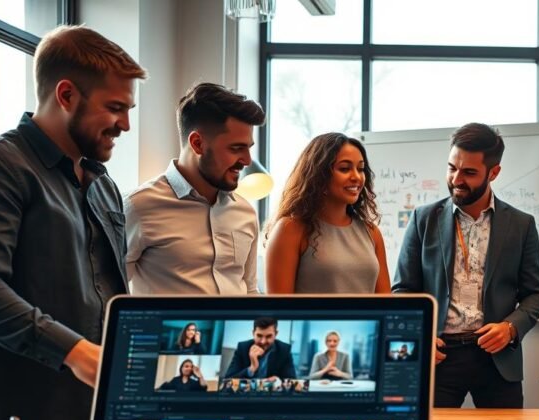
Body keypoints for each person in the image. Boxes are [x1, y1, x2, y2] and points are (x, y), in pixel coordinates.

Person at [0, 26, 146, 420]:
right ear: (67, 95)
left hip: (99, 416)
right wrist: (75, 352)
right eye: (115, 108)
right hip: (23, 418)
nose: (125, 124)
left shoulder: (104, 185)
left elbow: (107, 296)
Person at [393, 123, 539, 408]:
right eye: (452, 168)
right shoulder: (422, 219)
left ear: (494, 173)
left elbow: (536, 295)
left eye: (469, 172)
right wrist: (419, 334)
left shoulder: (521, 224)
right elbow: (403, 290)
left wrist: (510, 328)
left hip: (497, 356)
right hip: (438, 355)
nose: (456, 179)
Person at [125, 83, 265, 295]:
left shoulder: (245, 212)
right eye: (236, 148)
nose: (246, 160)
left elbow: (250, 290)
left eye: (248, 148)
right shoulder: (138, 207)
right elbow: (110, 294)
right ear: (197, 143)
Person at [265, 132, 391, 294]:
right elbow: (278, 310)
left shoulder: (372, 233)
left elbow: (386, 305)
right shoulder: (290, 229)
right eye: (345, 169)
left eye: (360, 169)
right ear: (319, 175)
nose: (357, 177)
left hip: (367, 321)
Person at [223, 317, 296, 380]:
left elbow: (292, 380)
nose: (263, 341)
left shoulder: (284, 350)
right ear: (253, 333)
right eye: (259, 336)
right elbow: (228, 380)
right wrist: (251, 369)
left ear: (276, 334)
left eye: (268, 336)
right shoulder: (242, 348)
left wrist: (278, 381)